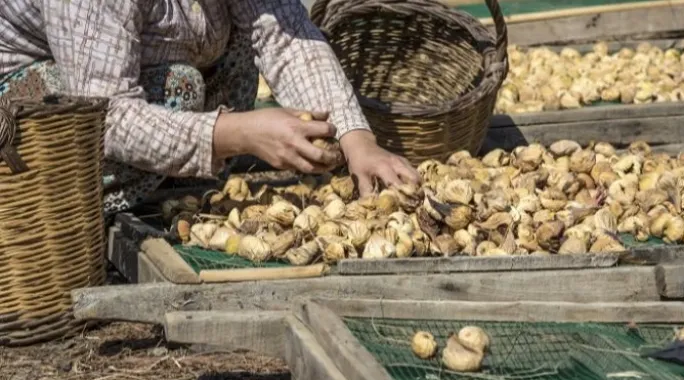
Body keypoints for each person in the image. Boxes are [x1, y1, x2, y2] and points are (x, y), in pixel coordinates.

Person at [0, 0, 419, 215]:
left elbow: (286, 36)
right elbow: (106, 114)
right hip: (34, 106)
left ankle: (171, 184)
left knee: (241, 36)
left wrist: (357, 140)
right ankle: (100, 207)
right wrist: (238, 133)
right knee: (181, 87)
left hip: (146, 70)